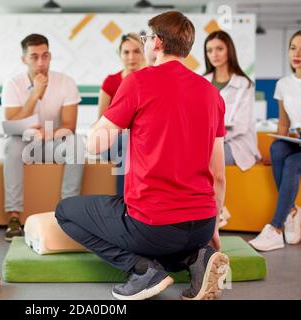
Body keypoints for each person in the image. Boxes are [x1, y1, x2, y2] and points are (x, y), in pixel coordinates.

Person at [55, 11, 230, 300]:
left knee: (66, 211)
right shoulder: (211, 93)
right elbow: (219, 172)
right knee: (174, 238)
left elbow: (95, 145)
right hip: (201, 224)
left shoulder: (138, 81)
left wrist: (105, 120)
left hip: (152, 226)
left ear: (157, 42)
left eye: (147, 38)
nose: (145, 44)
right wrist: (213, 225)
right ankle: (196, 258)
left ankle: (142, 270)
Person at [2, 34, 84, 241]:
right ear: (24, 59)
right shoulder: (13, 84)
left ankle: (69, 213)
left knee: (77, 144)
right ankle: (14, 216)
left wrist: (48, 135)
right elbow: (12, 123)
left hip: (53, 142)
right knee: (12, 145)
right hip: (24, 141)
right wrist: (34, 94)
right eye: (34, 57)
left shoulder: (66, 82)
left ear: (50, 56)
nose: (40, 63)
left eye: (45, 56)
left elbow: (69, 126)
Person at [249, 30, 301, 251]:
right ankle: (291, 211)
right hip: (297, 140)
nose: (297, 53)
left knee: (291, 163)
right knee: (278, 147)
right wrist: (281, 136)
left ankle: (275, 228)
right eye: (293, 48)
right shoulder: (283, 84)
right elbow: (283, 123)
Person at [203, 30, 261, 228]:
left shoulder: (244, 84)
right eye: (209, 50)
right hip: (210, 140)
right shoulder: (203, 81)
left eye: (219, 49)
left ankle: (216, 210)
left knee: (203, 158)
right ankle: (214, 210)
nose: (214, 54)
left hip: (237, 144)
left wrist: (210, 135)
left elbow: (240, 125)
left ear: (229, 51)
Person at [98, 33, 145, 196]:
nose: (131, 57)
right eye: (126, 52)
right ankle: (124, 200)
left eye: (136, 51)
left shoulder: (150, 80)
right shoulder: (111, 82)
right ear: (120, 54)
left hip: (141, 140)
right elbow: (101, 122)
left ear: (143, 53)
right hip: (112, 141)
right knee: (126, 144)